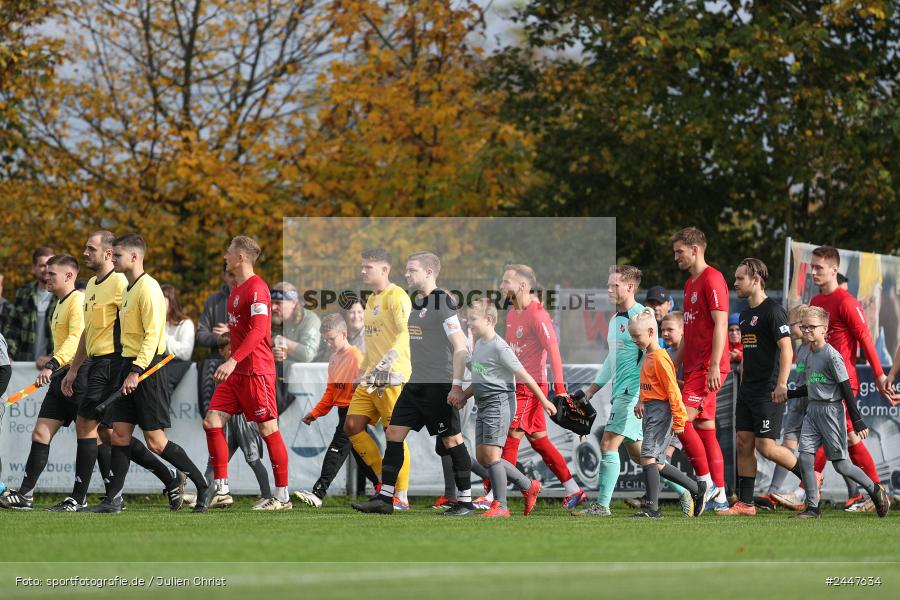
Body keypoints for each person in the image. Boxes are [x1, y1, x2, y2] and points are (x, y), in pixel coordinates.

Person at [58, 232, 186, 513]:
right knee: (108, 433)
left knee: (86, 423)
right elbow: (86, 333)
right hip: (95, 365)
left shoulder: (122, 282)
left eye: (90, 248)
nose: (84, 253)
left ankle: (80, 497)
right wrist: (74, 367)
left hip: (114, 364)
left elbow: (137, 329)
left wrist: (131, 368)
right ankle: (166, 479)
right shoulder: (91, 285)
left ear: (107, 253)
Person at [90, 233, 208, 513]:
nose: (113, 259)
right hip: (130, 367)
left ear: (134, 257)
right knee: (118, 435)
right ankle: (114, 500)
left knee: (155, 442)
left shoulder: (150, 289)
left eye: (117, 255)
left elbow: (154, 336)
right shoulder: (129, 289)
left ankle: (203, 486)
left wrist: (135, 371)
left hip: (147, 370)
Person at [353, 252, 474, 516]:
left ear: (429, 272)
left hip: (438, 385)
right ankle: (385, 499)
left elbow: (460, 347)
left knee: (452, 441)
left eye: (412, 270)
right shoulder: (417, 302)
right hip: (414, 382)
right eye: (406, 270)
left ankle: (465, 501)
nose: (406, 274)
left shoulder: (443, 302)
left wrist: (456, 386)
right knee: (393, 434)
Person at [203, 235, 291, 511]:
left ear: (240, 257)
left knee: (267, 428)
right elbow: (243, 330)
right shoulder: (237, 290)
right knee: (212, 421)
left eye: (229, 253)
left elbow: (258, 331)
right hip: (237, 372)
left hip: (255, 371)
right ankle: (222, 489)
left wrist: (232, 360)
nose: (226, 256)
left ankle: (282, 497)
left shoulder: (257, 288)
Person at [717, 259, 806, 516]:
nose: (735, 283)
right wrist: (743, 386)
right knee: (744, 442)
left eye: (740, 278)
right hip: (748, 392)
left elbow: (787, 349)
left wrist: (781, 384)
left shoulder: (773, 311)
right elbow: (748, 354)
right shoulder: (744, 315)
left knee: (766, 447)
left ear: (756, 279)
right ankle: (746, 504)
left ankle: (810, 477)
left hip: (769, 390)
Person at [809, 246, 894, 511]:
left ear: (834, 270)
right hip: (819, 384)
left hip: (843, 384)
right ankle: (878, 492)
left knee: (828, 436)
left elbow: (865, 339)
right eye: (812, 267)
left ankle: (805, 489)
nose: (813, 272)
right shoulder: (815, 303)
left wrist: (880, 375)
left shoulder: (846, 302)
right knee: (848, 439)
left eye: (818, 268)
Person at [0, 254, 85, 510]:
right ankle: (26, 495)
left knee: (106, 437)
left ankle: (164, 478)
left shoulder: (77, 301)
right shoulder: (58, 304)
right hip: (61, 377)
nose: (46, 277)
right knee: (40, 433)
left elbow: (75, 339)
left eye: (52, 274)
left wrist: (52, 363)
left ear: (69, 276)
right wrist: (54, 363)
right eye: (45, 273)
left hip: (79, 376)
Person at [787, 306, 889, 519]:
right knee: (805, 458)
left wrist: (858, 419)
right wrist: (789, 394)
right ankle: (813, 508)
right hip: (812, 411)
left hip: (831, 412)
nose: (806, 331)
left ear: (824, 329)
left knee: (842, 465)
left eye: (811, 327)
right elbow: (813, 386)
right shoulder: (807, 353)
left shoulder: (832, 356)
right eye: (804, 326)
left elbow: (845, 388)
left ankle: (875, 489)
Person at [499, 263, 586, 509]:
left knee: (511, 437)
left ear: (523, 286)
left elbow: (554, 352)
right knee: (539, 440)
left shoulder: (538, 314)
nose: (501, 286)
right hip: (516, 385)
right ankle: (573, 489)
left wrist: (558, 389)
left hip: (531, 387)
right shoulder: (512, 312)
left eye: (506, 282)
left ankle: (495, 496)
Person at [462, 298, 551, 517]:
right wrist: (463, 395)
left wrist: (544, 401)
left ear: (489, 319)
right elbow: (481, 377)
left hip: (499, 403)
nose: (468, 322)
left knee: (492, 456)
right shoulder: (480, 343)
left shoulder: (499, 347)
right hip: (483, 405)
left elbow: (525, 376)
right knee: (483, 457)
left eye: (473, 319)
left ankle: (500, 506)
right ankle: (528, 485)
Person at [573, 266, 647, 516]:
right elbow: (611, 360)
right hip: (620, 393)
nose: (608, 289)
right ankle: (688, 491)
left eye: (614, 285)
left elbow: (653, 359)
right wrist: (592, 390)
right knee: (640, 457)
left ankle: (602, 505)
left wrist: (644, 396)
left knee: (607, 444)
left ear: (630, 287)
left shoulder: (643, 316)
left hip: (632, 394)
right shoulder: (615, 320)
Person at [343, 248, 412, 510]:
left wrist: (391, 356)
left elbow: (406, 332)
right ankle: (385, 483)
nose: (363, 271)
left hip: (392, 377)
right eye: (362, 267)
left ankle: (400, 496)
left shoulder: (398, 297)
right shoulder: (371, 300)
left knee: (394, 435)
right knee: (352, 426)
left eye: (368, 267)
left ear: (385, 269)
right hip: (371, 376)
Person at [672, 226, 730, 510]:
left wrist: (715, 367)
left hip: (708, 366)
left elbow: (721, 323)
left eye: (679, 252)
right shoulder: (689, 283)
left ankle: (704, 484)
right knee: (706, 428)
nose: (676, 257)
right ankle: (720, 493)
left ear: (695, 249)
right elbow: (689, 331)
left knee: (680, 421)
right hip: (695, 366)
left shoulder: (713, 279)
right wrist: (675, 364)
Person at [293, 314, 378, 508]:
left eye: (331, 338)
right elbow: (331, 393)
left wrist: (370, 413)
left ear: (344, 334)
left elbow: (368, 386)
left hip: (355, 411)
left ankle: (318, 493)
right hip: (344, 411)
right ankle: (384, 488)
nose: (328, 342)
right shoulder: (333, 359)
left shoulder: (356, 357)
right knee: (361, 454)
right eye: (326, 339)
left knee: (336, 449)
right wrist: (314, 413)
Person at [629, 308, 706, 519]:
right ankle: (697, 488)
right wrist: (641, 400)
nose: (635, 340)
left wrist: (680, 419)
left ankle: (652, 508)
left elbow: (672, 391)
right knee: (659, 463)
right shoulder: (649, 355)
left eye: (637, 336)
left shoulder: (661, 358)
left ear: (651, 332)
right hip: (652, 409)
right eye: (632, 336)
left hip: (662, 412)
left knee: (647, 457)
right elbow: (649, 383)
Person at [189, 332, 272, 509]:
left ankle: (268, 495)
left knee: (253, 458)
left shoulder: (244, 366)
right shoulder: (221, 369)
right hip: (227, 423)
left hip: (244, 422)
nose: (235, 351)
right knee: (216, 460)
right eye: (230, 348)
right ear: (221, 351)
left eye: (237, 347)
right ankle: (209, 495)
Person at [767, 304, 814, 510]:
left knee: (833, 453)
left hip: (813, 403)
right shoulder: (801, 347)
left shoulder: (816, 347)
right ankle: (773, 491)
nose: (787, 328)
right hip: (798, 403)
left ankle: (855, 492)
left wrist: (791, 392)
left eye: (791, 324)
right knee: (786, 446)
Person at [5, 247, 56, 362]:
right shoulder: (23, 293)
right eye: (42, 265)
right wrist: (8, 355)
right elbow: (13, 328)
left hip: (53, 366)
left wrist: (53, 358)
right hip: (24, 365)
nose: (47, 269)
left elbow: (71, 335)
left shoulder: (62, 295)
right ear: (34, 268)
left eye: (50, 265)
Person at [272, 281, 322, 363]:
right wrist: (272, 352)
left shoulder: (310, 320)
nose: (273, 307)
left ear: (293, 303)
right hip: (288, 371)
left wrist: (281, 340)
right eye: (272, 302)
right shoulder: (275, 319)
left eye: (278, 303)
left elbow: (308, 355)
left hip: (315, 372)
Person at [196, 263, 233, 360]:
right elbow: (200, 335)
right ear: (224, 276)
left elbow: (255, 334)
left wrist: (229, 334)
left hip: (244, 361)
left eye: (238, 274)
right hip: (216, 360)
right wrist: (216, 338)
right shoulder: (212, 301)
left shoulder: (250, 299)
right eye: (231, 275)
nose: (235, 279)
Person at [161, 284, 194, 393]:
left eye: (162, 300)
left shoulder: (186, 324)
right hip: (161, 366)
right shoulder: (158, 323)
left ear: (171, 302)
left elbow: (185, 353)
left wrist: (161, 336)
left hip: (177, 368)